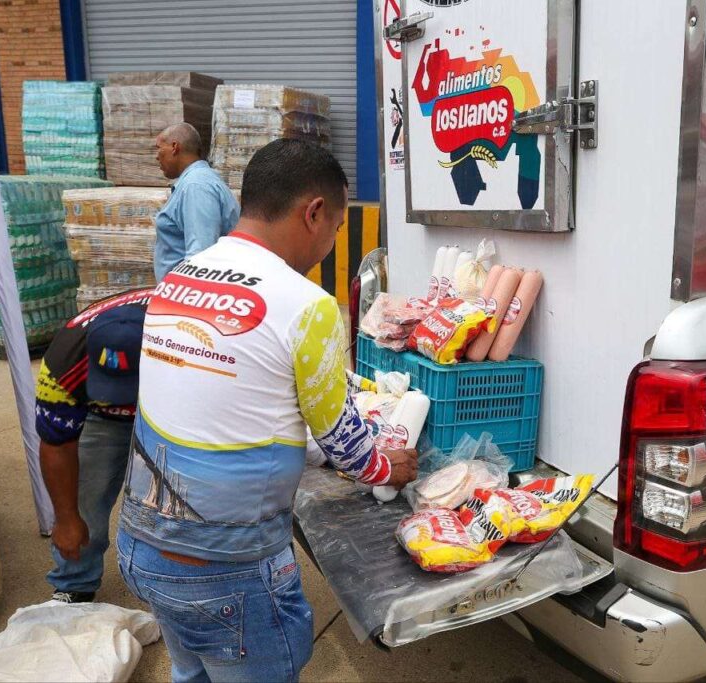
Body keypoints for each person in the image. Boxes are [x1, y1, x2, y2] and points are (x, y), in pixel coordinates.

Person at [117, 139, 418, 683]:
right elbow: (343, 438)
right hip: (226, 571)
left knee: (192, 674)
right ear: (314, 212)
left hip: (142, 545)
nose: (331, 243)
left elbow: (223, 403)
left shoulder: (179, 279)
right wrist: (386, 466)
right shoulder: (307, 305)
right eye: (336, 229)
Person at [35, 288, 151, 603]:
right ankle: (74, 584)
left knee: (180, 499)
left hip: (173, 406)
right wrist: (66, 518)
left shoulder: (188, 341)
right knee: (85, 495)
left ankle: (178, 583)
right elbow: (57, 444)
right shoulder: (62, 365)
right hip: (102, 417)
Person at [153, 122, 240, 280]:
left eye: (158, 148)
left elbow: (200, 260)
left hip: (185, 297)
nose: (156, 156)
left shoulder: (197, 186)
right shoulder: (196, 182)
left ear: (174, 147)